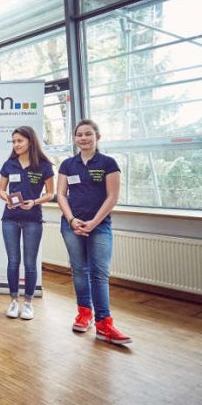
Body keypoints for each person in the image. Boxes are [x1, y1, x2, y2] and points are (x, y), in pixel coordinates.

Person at [56, 119, 132, 345]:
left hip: (99, 226)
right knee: (79, 270)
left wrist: (93, 222)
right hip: (71, 225)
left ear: (97, 137)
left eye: (88, 134)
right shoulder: (67, 165)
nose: (83, 138)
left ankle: (104, 324)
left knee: (99, 273)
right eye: (79, 134)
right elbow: (61, 194)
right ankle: (84, 313)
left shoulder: (108, 163)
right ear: (74, 138)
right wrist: (71, 220)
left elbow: (112, 197)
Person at [0, 126, 54, 320]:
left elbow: (50, 194)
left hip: (33, 220)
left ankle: (28, 303)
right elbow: (1, 190)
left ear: (30, 141)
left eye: (19, 141)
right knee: (13, 262)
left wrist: (34, 202)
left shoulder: (44, 166)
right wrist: (7, 199)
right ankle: (13, 301)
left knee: (30, 263)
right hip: (10, 219)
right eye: (14, 141)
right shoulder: (9, 164)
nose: (16, 145)